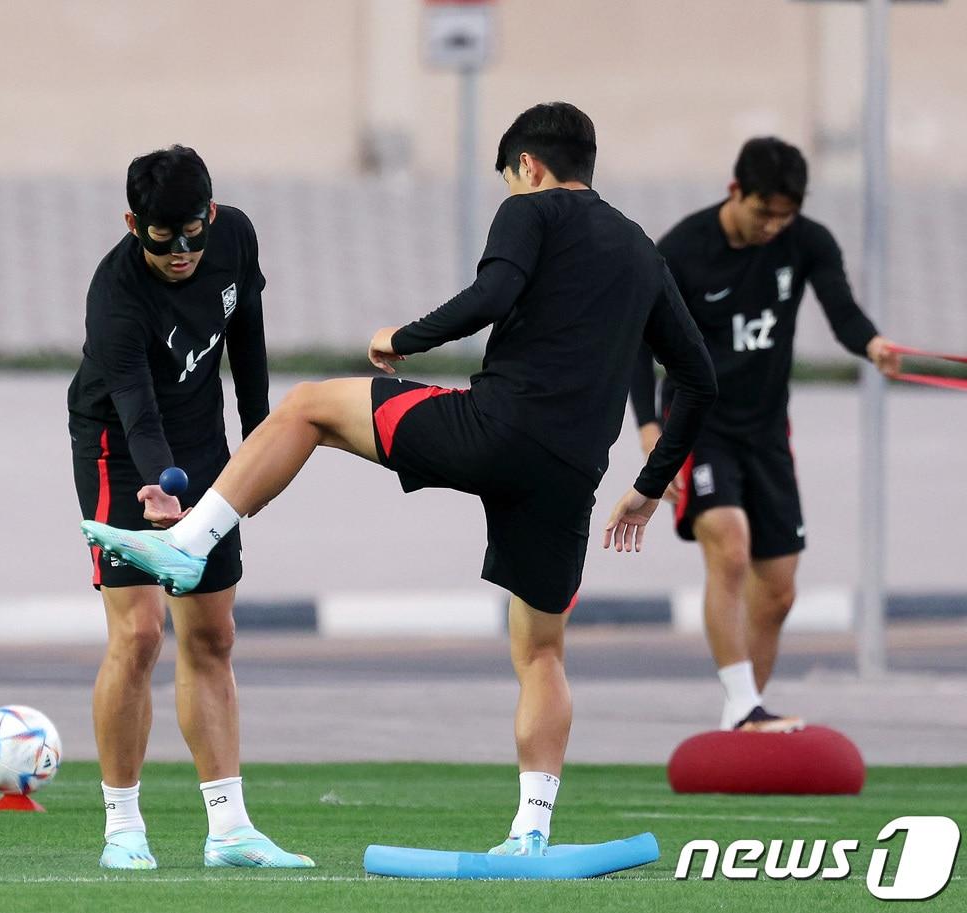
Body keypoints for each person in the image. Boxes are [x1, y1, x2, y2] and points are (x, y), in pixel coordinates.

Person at [84, 102, 718, 858]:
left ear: (532, 167)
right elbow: (700, 379)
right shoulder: (644, 253)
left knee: (310, 405)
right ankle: (531, 831)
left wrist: (402, 339)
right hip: (574, 470)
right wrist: (648, 485)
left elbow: (492, 296)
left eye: (512, 179)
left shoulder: (533, 212)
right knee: (542, 652)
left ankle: (191, 538)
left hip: (495, 429)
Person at [67, 145, 310, 870]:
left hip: (205, 441)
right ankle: (122, 827)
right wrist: (158, 487)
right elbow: (138, 412)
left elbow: (250, 344)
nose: (181, 253)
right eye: (161, 239)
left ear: (210, 213)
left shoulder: (234, 234)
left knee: (212, 635)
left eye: (192, 235)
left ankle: (230, 829)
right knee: (139, 634)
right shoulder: (114, 296)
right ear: (131, 223)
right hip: (121, 451)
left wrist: (266, 445)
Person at [629, 137, 901, 733]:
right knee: (729, 545)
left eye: (785, 215)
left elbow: (843, 312)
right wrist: (650, 429)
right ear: (735, 192)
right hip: (698, 426)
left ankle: (743, 712)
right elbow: (637, 346)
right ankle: (743, 705)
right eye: (763, 212)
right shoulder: (680, 251)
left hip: (767, 434)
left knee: (778, 593)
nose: (773, 226)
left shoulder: (807, 242)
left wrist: (873, 345)